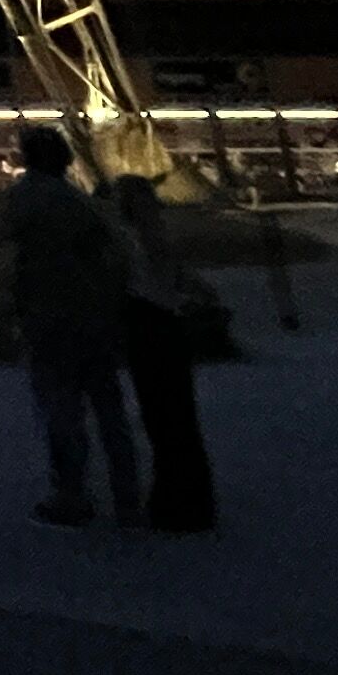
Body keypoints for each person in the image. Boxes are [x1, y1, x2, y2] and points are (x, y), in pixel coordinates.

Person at [5, 123, 142, 527]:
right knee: (109, 409)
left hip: (48, 317)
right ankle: (127, 493)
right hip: (93, 316)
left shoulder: (22, 198)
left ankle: (71, 494)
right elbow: (112, 254)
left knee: (61, 410)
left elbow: (15, 259)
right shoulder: (80, 202)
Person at [110, 175, 219, 534]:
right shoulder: (158, 236)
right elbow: (184, 279)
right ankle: (190, 502)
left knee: (161, 415)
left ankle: (172, 502)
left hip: (146, 322)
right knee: (178, 415)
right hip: (167, 324)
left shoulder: (129, 239)